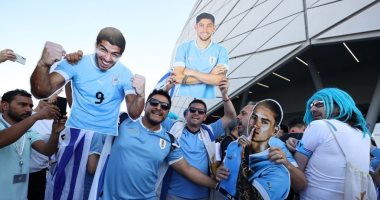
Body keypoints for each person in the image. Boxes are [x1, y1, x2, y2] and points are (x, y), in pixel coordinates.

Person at [30, 27, 146, 200]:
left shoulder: (125, 74)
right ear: (96, 45)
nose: (107, 58)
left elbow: (135, 113)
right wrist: (43, 64)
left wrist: (141, 94)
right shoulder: (77, 62)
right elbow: (41, 91)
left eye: (115, 54)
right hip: (76, 131)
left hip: (104, 134)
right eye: (103, 50)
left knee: (93, 189)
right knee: (63, 188)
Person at [100, 89, 217, 199]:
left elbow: (187, 169)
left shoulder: (170, 141)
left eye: (164, 106)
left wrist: (216, 185)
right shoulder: (123, 120)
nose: (159, 108)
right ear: (145, 105)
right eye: (154, 103)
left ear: (167, 112)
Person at [157, 77, 236, 199]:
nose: (196, 113)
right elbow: (160, 111)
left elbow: (230, 116)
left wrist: (225, 95)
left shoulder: (210, 130)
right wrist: (166, 89)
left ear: (205, 117)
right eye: (192, 110)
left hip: (202, 196)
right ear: (187, 113)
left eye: (200, 112)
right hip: (173, 195)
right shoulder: (173, 126)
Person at [287, 88, 373, 199]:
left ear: (338, 106)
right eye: (311, 105)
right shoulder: (364, 135)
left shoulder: (319, 125)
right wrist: (299, 144)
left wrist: (285, 151)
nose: (312, 108)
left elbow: (297, 170)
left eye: (318, 104)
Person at [215, 99, 306, 199]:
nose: (238, 116)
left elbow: (301, 185)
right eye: (254, 118)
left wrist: (286, 164)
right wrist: (219, 172)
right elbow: (224, 169)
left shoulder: (276, 145)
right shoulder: (235, 144)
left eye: (243, 114)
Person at [0, 89, 65, 200]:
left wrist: (55, 133)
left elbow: (47, 150)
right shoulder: (28, 123)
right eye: (23, 105)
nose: (28, 109)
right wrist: (35, 117)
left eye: (31, 106)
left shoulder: (28, 131)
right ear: (5, 105)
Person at [171, 12, 229, 99]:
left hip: (208, 99)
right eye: (201, 25)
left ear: (214, 28)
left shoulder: (222, 51)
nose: (205, 30)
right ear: (196, 27)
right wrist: (210, 75)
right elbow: (177, 78)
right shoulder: (183, 48)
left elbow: (219, 80)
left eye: (209, 26)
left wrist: (192, 72)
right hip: (184, 96)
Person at [27, 95, 60, 200]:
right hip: (17, 170)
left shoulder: (55, 123)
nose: (49, 103)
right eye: (46, 100)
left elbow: (53, 149)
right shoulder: (26, 115)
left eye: (54, 102)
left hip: (39, 171)